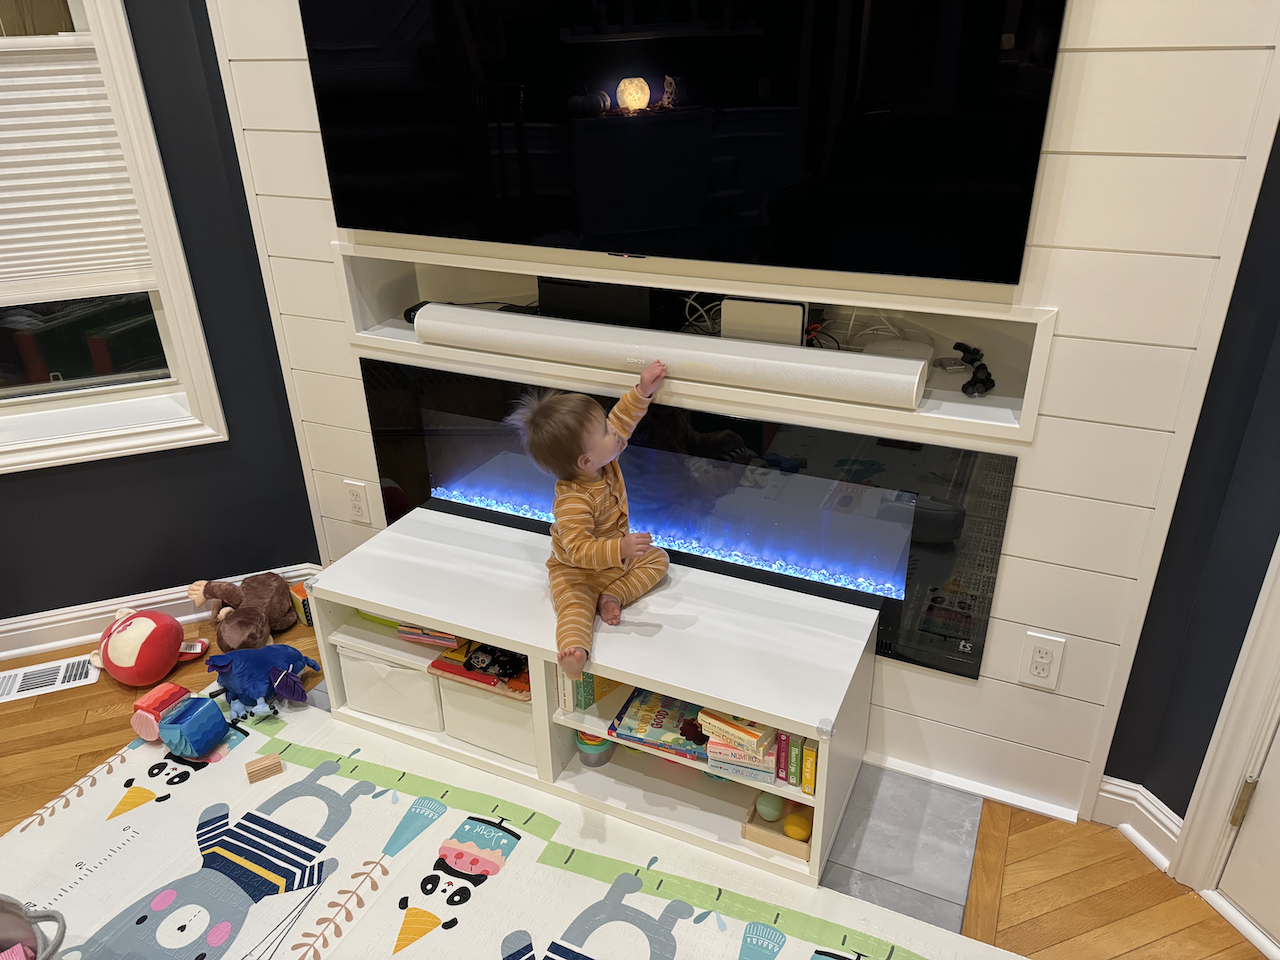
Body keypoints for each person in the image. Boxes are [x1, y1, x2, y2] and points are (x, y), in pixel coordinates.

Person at [505, 361, 670, 680]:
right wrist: (621, 547)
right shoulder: (573, 499)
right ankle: (575, 653)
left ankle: (614, 595)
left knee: (658, 559)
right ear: (585, 460)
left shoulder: (602, 461)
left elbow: (622, 421)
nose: (615, 433)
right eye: (606, 432)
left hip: (613, 564)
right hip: (576, 572)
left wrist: (642, 390)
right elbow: (579, 551)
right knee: (575, 608)